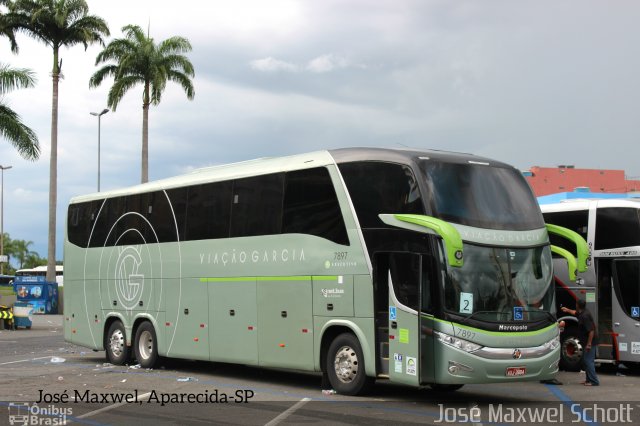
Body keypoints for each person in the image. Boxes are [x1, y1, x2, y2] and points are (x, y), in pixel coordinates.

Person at [561, 300, 599, 386]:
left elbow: (591, 331)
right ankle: (588, 380)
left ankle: (594, 381)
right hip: (586, 341)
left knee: (588, 361)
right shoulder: (582, 312)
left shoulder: (585, 316)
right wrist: (567, 310)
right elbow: (575, 313)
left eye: (576, 304)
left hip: (590, 342)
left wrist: (589, 344)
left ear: (577, 305)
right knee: (586, 361)